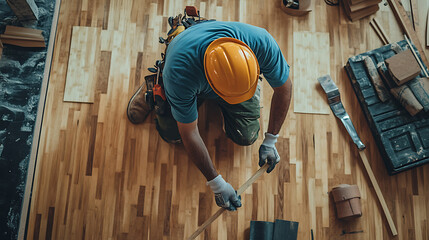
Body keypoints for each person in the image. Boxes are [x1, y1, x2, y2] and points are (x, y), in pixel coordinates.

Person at [127, 21, 292, 211]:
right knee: (171, 134)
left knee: (247, 136)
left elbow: (284, 88)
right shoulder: (179, 74)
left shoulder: (261, 42)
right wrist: (216, 183)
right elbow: (189, 133)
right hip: (186, 72)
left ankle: (241, 87)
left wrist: (271, 139)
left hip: (229, 78)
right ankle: (158, 79)